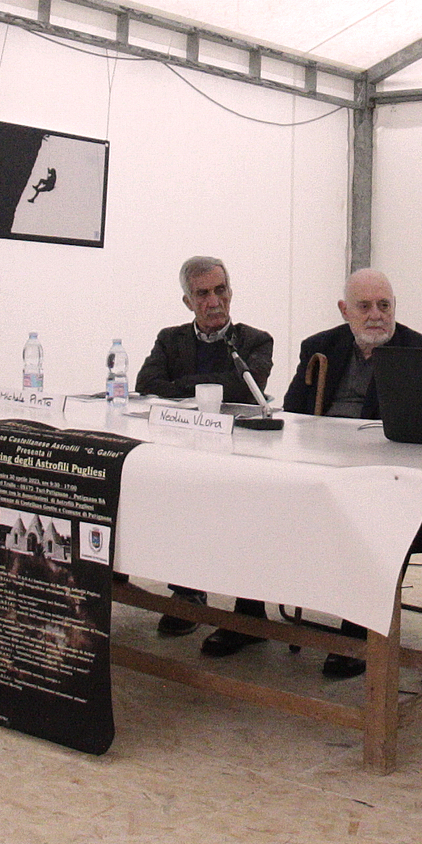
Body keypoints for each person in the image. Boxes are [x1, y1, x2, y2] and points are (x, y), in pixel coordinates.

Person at [283, 268, 422, 678]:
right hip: (323, 469)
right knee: (265, 500)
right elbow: (293, 413)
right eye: (365, 306)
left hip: (387, 477)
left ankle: (358, 633)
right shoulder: (320, 347)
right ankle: (246, 616)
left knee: (381, 518)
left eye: (384, 305)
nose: (376, 315)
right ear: (344, 310)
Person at [136, 255, 275, 654]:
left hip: (240, 456)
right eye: (202, 294)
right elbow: (147, 383)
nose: (214, 302)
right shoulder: (170, 339)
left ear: (231, 292)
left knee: (249, 505)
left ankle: (249, 613)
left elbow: (245, 386)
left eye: (220, 290)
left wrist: (181, 384)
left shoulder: (255, 340)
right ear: (188, 302)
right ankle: (188, 592)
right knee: (168, 491)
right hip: (183, 451)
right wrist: (210, 386)